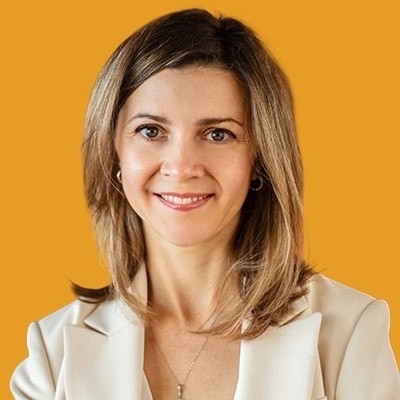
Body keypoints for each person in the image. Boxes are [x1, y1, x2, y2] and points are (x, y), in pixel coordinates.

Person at [11, 8, 400, 400]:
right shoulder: (53, 357)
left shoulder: (349, 334)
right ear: (113, 152)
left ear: (259, 158)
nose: (182, 167)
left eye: (217, 134)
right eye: (151, 131)